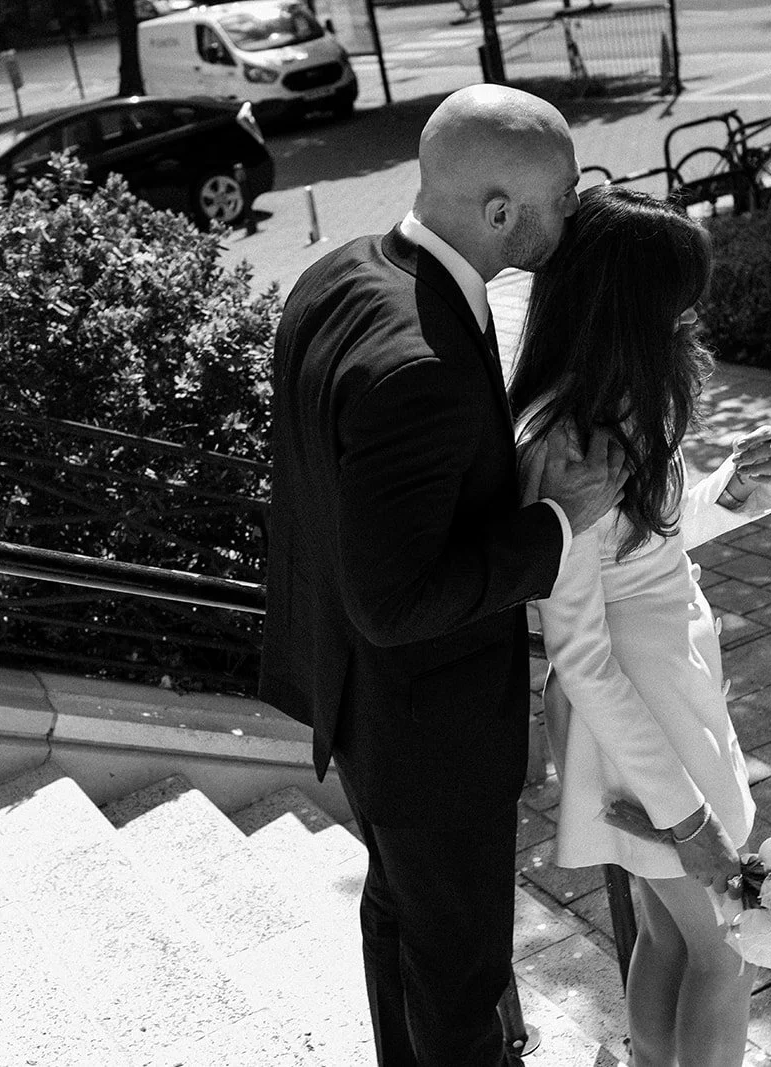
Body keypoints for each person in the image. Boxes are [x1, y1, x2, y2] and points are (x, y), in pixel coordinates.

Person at [258, 84, 624, 1067]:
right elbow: (397, 598)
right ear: (500, 212)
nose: (576, 211)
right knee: (461, 979)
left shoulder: (337, 273)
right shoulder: (420, 362)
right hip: (430, 735)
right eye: (563, 196)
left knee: (399, 925)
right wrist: (557, 522)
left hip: (362, 708)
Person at [508, 187, 771, 1067]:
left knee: (671, 935)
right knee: (727, 945)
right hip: (640, 712)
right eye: (675, 298)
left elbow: (645, 547)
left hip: (666, 689)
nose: (689, 316)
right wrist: (686, 816)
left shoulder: (617, 400)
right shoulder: (566, 440)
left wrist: (728, 490)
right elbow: (579, 646)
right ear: (625, 305)